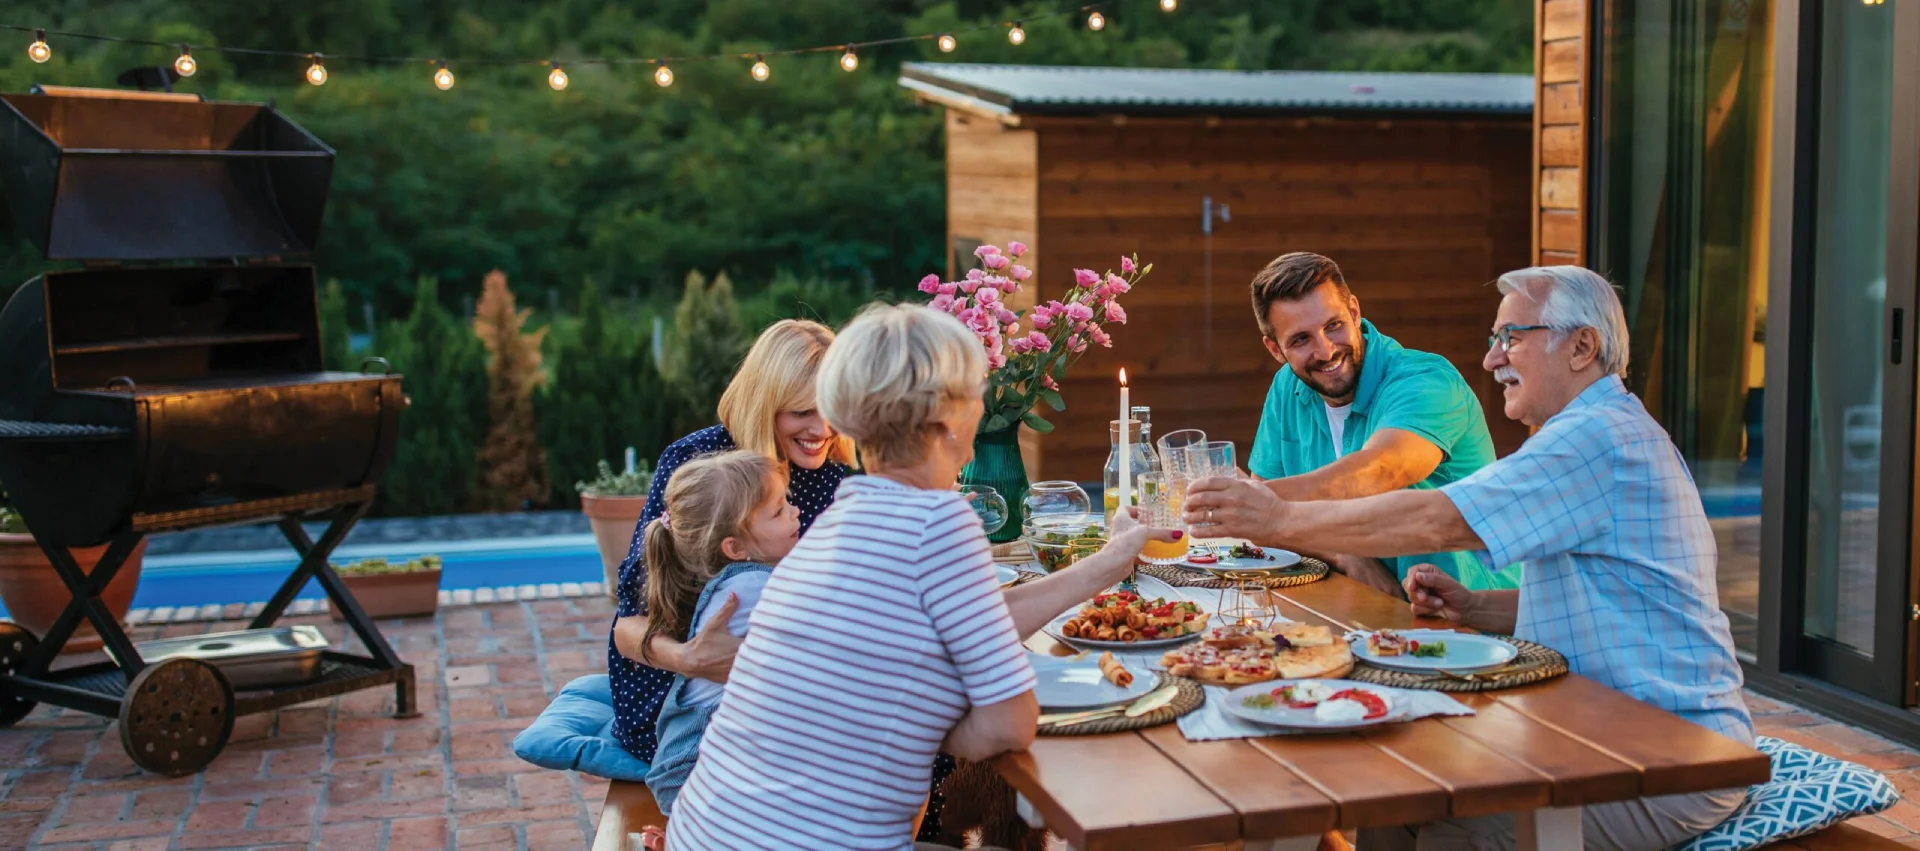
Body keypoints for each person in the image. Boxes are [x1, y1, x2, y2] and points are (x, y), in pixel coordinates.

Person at [1186, 266, 1751, 851]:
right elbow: (1606, 598)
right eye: (1494, 339)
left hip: (1668, 756)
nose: (1491, 359)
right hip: (1599, 728)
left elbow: (1435, 516)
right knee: (1386, 795)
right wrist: (1477, 606)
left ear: (1582, 346)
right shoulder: (1592, 432)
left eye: (1512, 338)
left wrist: (1277, 518)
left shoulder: (1594, 440)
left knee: (1442, 827)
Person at [665, 303, 1180, 851]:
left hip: (708, 832)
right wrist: (922, 723)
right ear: (951, 416)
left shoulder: (839, 516)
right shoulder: (939, 520)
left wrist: (1112, 559)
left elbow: (978, 620)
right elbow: (1010, 726)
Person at [608, 319, 854, 763]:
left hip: (781, 685)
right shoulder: (697, 464)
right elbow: (627, 628)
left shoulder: (839, 479)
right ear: (766, 402)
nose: (821, 429)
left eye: (831, 409)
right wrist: (692, 659)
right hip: (682, 704)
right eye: (801, 412)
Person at [1243, 252, 1513, 595]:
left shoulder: (1426, 381)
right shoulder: (1287, 386)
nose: (1326, 351)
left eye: (1333, 326)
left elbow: (1381, 470)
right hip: (1363, 603)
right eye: (1301, 339)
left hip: (1472, 619)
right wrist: (1346, 554)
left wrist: (1256, 501)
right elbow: (1268, 529)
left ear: (1354, 312)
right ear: (1275, 349)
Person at [628, 449, 798, 814]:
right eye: (779, 511)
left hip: (697, 759)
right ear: (735, 547)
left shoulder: (741, 579)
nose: (795, 513)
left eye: (789, 503)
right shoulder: (751, 588)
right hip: (700, 767)